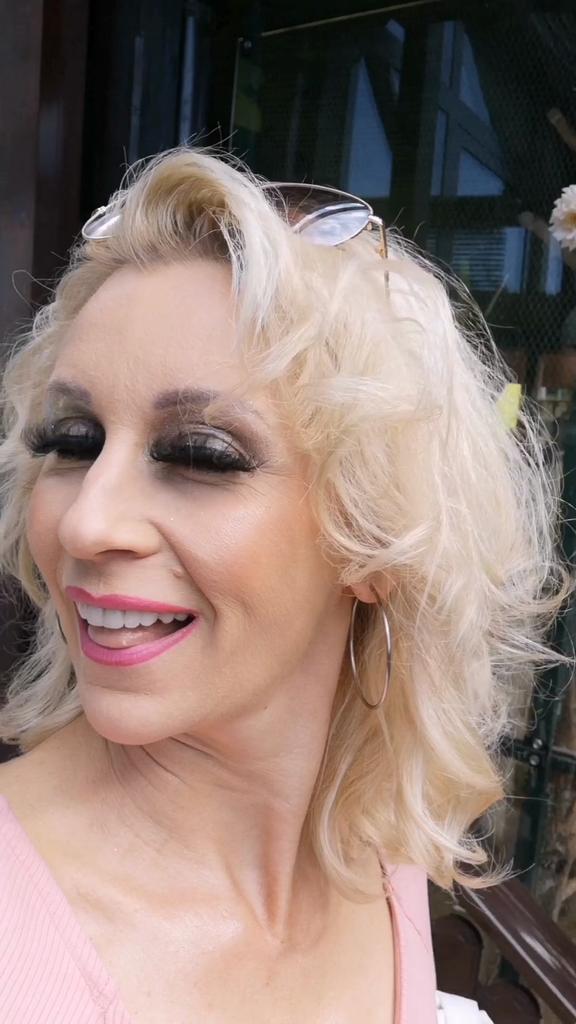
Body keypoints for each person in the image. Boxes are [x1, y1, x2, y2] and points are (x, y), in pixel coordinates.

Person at [0, 147, 569, 1023]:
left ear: (379, 538)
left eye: (200, 454)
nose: (85, 524)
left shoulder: (376, 857)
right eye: (71, 442)